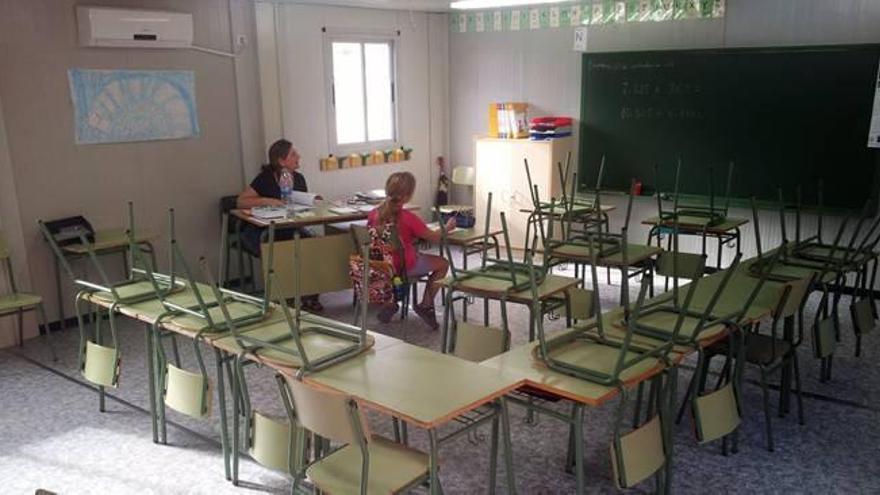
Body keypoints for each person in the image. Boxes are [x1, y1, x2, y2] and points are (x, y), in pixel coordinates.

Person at [237, 138, 323, 312]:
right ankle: (286, 298)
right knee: (280, 253)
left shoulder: (298, 178)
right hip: (261, 232)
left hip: (289, 228)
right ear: (281, 160)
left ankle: (310, 296)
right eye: (293, 154)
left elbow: (299, 205)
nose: (298, 156)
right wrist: (267, 200)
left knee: (313, 246)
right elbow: (241, 201)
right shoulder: (265, 178)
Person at [367, 171, 455, 329]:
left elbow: (378, 237)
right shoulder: (408, 218)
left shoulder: (373, 214)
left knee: (406, 259)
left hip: (380, 266)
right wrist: (447, 227)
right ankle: (426, 304)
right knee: (442, 263)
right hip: (403, 266)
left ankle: (391, 303)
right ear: (408, 196)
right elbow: (434, 237)